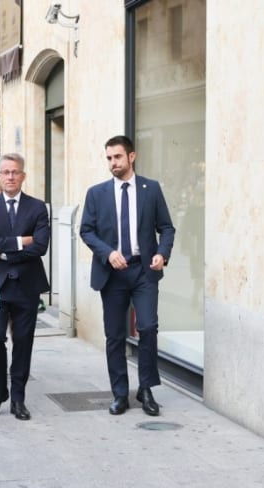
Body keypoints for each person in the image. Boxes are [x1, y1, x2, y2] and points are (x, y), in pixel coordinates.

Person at [80, 135, 175, 417]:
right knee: (115, 335)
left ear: (131, 157)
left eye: (117, 157)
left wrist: (162, 253)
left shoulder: (151, 189)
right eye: (109, 158)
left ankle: (145, 390)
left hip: (144, 270)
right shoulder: (96, 193)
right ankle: (120, 394)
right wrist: (107, 253)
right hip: (112, 273)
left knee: (147, 328)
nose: (113, 163)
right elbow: (86, 230)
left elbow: (166, 228)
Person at [0, 153, 50, 421]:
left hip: (27, 284)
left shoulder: (37, 207)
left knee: (23, 341)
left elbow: (41, 246)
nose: (10, 177)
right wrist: (22, 242)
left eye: (15, 172)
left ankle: (18, 398)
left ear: (23, 176)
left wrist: (4, 248)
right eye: (5, 172)